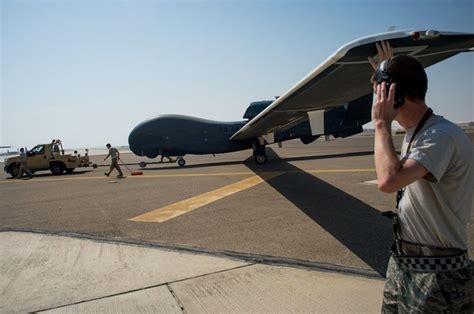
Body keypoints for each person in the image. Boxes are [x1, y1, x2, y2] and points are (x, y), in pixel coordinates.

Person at [369, 41, 473, 312]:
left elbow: (388, 181)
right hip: (405, 264)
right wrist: (385, 70)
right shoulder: (418, 132)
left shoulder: (439, 136)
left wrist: (381, 123)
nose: (378, 100)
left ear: (396, 96)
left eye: (381, 93)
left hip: (438, 275)